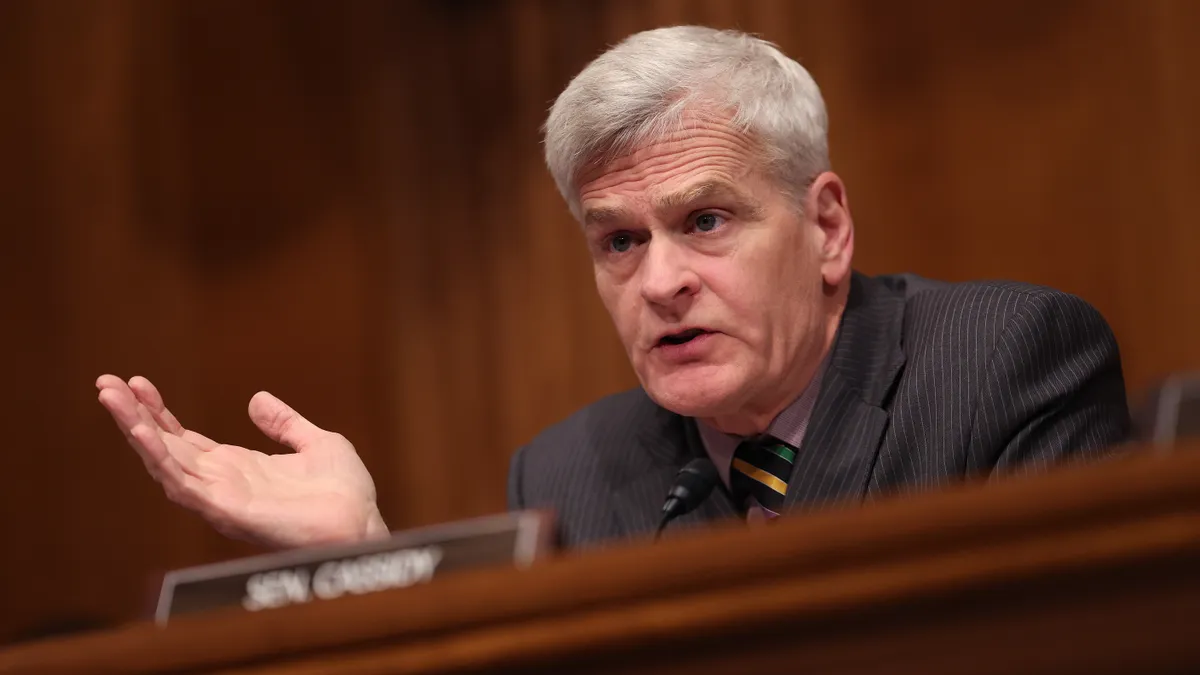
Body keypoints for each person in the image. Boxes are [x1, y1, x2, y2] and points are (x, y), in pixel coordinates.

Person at [97, 26, 1130, 551]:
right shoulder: (570, 474)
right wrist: (370, 560)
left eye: (705, 222)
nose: (662, 281)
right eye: (620, 242)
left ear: (826, 226)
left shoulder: (1004, 362)